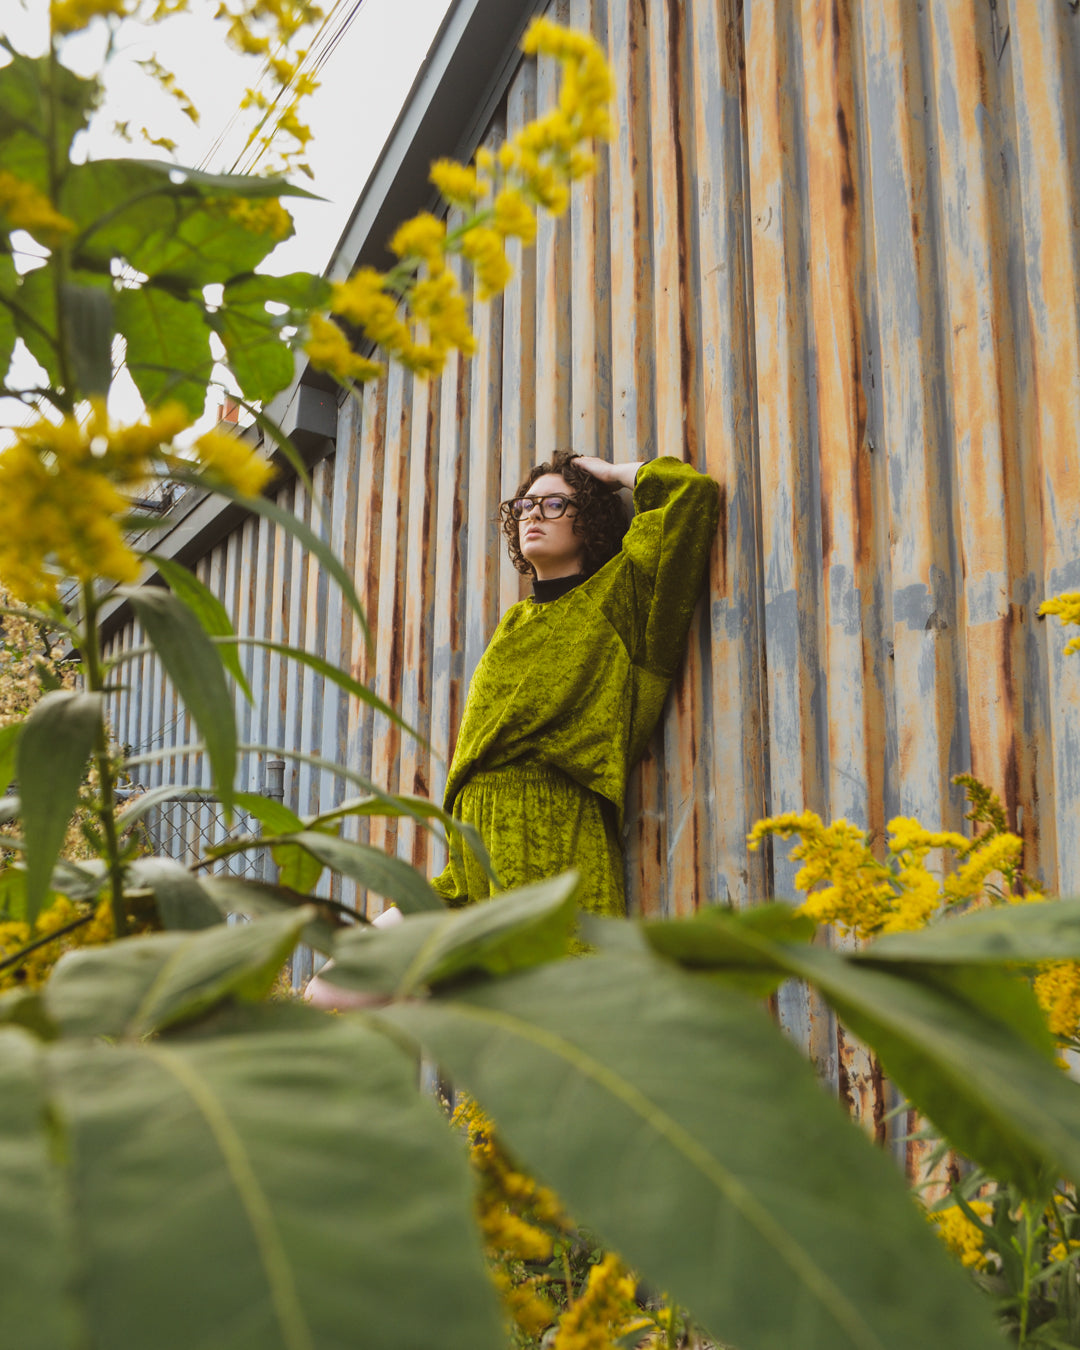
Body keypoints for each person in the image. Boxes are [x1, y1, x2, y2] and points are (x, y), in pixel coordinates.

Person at [431, 450, 719, 917]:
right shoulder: (513, 623)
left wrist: (610, 474)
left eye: (553, 505)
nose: (532, 516)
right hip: (471, 859)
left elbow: (689, 496)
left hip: (551, 838)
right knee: (335, 983)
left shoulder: (619, 595)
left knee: (540, 988)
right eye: (524, 506)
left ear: (588, 520)